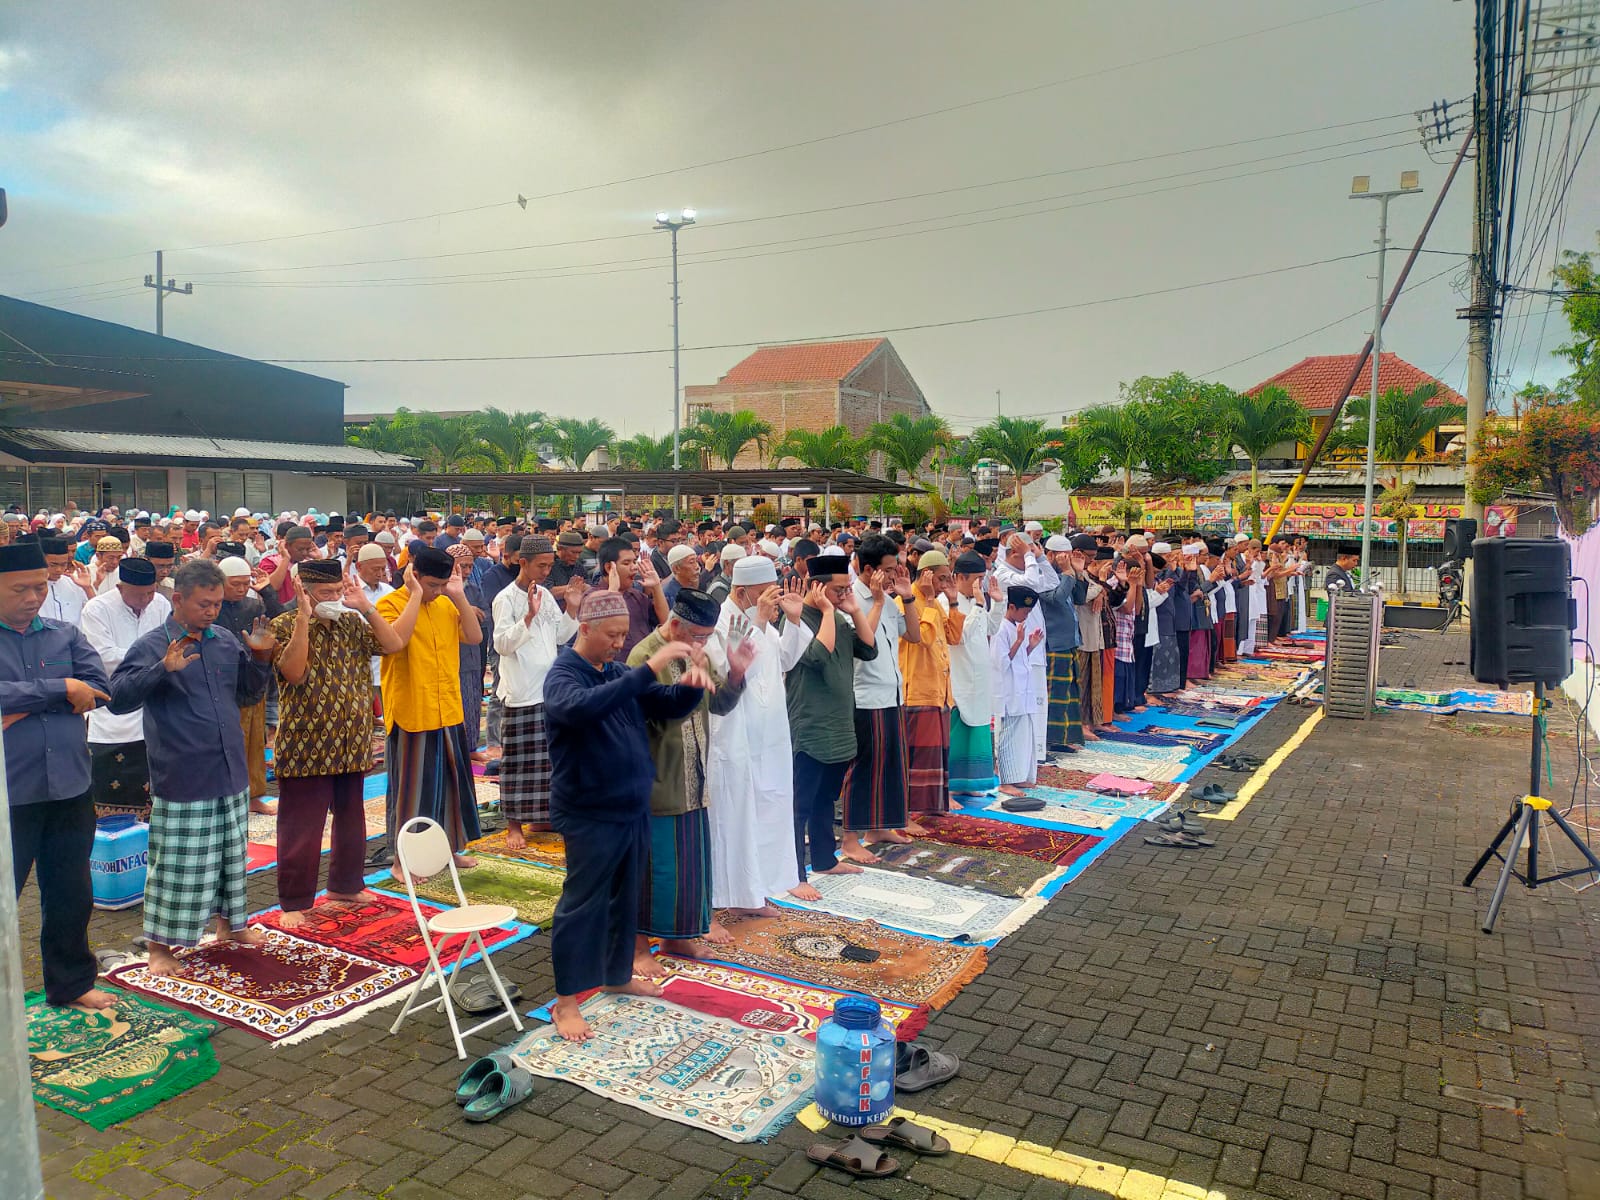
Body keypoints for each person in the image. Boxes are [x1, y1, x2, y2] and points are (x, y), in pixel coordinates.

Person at [542, 590, 707, 1042]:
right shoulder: (563, 675)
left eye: (622, 635)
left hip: (631, 807)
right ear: (586, 629)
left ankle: (616, 974)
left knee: (625, 899)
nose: (619, 643)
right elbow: (582, 708)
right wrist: (646, 670)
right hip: (589, 810)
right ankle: (567, 1001)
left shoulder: (614, 671)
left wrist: (691, 686)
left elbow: (665, 705)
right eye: (612, 635)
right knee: (581, 906)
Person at [108, 559, 276, 976]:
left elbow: (248, 696)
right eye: (204, 604)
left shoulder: (222, 640)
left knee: (229, 856)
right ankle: (161, 947)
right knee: (178, 865)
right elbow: (119, 698)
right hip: (183, 771)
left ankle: (230, 926)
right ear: (178, 599)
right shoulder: (152, 645)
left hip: (229, 768)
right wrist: (161, 669)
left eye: (218, 604)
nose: (212, 611)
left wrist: (259, 657)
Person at [0, 540, 115, 1009]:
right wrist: (61, 688)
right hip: (11, 790)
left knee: (71, 890)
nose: (33, 597)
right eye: (20, 589)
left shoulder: (65, 635)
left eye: (41, 587)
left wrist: (24, 700)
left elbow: (102, 689)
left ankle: (70, 983)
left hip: (70, 784)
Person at [269, 559, 405, 929]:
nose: (331, 598)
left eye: (336, 592)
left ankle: (345, 884)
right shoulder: (281, 625)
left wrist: (365, 606)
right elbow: (293, 673)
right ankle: (294, 900)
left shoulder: (351, 622)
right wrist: (302, 619)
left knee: (352, 819)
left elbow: (393, 644)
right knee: (301, 826)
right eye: (324, 593)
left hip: (352, 739)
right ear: (305, 591)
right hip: (306, 743)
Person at [628, 589, 753, 974]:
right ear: (676, 624)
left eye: (707, 637)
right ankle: (637, 950)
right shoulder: (645, 655)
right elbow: (653, 713)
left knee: (689, 868)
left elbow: (720, 704)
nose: (702, 643)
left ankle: (677, 937)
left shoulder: (696, 652)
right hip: (658, 777)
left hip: (694, 776)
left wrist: (735, 672)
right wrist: (689, 686)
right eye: (697, 635)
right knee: (652, 870)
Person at [706, 557, 809, 916]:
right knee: (737, 817)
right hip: (736, 734)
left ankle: (760, 889)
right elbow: (730, 666)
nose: (771, 600)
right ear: (741, 591)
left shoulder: (762, 621)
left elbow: (785, 659)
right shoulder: (722, 620)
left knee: (771, 808)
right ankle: (731, 897)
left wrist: (794, 621)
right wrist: (761, 620)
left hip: (770, 735)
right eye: (764, 594)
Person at [375, 547, 484, 874]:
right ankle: (401, 861)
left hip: (447, 708)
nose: (436, 591)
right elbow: (396, 641)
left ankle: (448, 851)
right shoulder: (390, 604)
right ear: (414, 574)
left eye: (441, 584)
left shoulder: (445, 603)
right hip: (412, 710)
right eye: (432, 584)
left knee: (451, 788)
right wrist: (415, 596)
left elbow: (475, 636)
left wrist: (457, 595)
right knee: (412, 792)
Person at [784, 553, 879, 900]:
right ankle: (794, 873)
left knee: (827, 798)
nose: (844, 594)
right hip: (809, 723)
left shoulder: (839, 618)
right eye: (839, 589)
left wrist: (853, 610)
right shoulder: (795, 617)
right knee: (800, 804)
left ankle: (824, 859)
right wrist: (827, 611)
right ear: (818, 587)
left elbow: (869, 650)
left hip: (839, 723)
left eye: (847, 588)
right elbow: (816, 658)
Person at [492, 537, 580, 849]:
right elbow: (501, 644)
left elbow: (560, 635)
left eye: (549, 565)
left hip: (549, 689)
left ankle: (542, 815)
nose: (545, 571)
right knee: (519, 762)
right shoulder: (506, 599)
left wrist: (571, 608)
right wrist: (527, 617)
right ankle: (514, 824)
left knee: (549, 760)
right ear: (522, 562)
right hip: (520, 691)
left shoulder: (543, 593)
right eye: (541, 565)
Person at [79, 557, 171, 820]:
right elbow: (103, 656)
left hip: (153, 705)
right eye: (139, 595)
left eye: (150, 593)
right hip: (113, 708)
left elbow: (172, 643)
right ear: (120, 589)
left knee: (153, 789)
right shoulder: (97, 609)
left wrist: (157, 665)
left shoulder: (161, 604)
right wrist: (156, 662)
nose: (146, 600)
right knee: (112, 788)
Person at [840, 534, 904, 857]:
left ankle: (878, 827)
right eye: (889, 569)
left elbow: (913, 635)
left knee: (888, 765)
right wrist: (877, 602)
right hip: (864, 695)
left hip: (891, 692)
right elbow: (865, 644)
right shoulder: (852, 601)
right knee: (863, 767)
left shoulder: (890, 601)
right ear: (869, 570)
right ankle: (850, 839)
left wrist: (906, 597)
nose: (894, 575)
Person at [897, 549, 964, 824]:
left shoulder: (935, 602)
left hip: (939, 689)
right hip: (918, 690)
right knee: (918, 757)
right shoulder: (907, 602)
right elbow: (922, 638)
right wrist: (924, 599)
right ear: (926, 575)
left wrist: (953, 601)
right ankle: (909, 814)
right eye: (942, 578)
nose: (945, 584)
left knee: (936, 752)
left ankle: (931, 805)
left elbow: (953, 636)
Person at [990, 532, 1058, 762]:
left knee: (1035, 704)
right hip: (1013, 646)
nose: (1030, 557)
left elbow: (1052, 582)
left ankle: (1034, 754)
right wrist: (1030, 557)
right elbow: (1030, 583)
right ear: (1014, 553)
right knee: (1015, 705)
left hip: (1033, 647)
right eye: (1026, 553)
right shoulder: (1002, 573)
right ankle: (1011, 758)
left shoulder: (1029, 568)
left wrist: (1039, 559)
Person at [946, 552, 1002, 796]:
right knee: (958, 731)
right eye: (977, 578)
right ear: (959, 577)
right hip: (959, 677)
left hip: (979, 676)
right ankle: (950, 787)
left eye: (983, 578)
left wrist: (997, 603)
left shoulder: (978, 600)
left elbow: (990, 627)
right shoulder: (946, 602)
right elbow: (960, 637)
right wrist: (979, 605)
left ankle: (973, 783)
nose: (980, 584)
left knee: (978, 726)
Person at [1039, 535, 1089, 752]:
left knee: (1069, 692)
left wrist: (1078, 572)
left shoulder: (1065, 573)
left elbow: (1079, 598)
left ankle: (1065, 738)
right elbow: (1056, 598)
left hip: (1068, 641)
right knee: (1056, 693)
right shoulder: (1041, 574)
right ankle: (1051, 740)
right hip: (1053, 642)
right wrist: (1069, 574)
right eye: (1063, 556)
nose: (1066, 560)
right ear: (1050, 555)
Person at [992, 586, 1044, 796]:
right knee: (1008, 736)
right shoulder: (1000, 628)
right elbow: (1001, 662)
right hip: (1009, 693)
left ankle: (1020, 777)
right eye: (1024, 612)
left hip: (1023, 691)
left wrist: (1029, 645)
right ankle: (1006, 781)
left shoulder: (1016, 627)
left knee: (1023, 736)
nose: (1026, 616)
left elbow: (1020, 659)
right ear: (1012, 607)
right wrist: (1020, 641)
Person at [40, 536, 92, 626]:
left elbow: (96, 612)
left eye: (63, 564)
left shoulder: (74, 583)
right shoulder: (30, 589)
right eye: (53, 565)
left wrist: (87, 588)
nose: (59, 570)